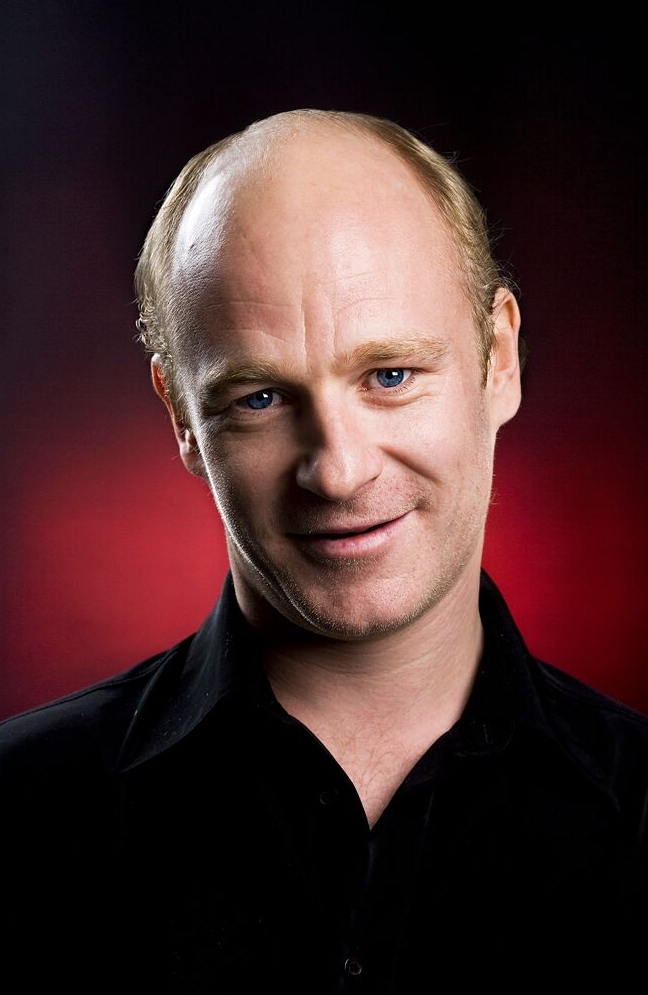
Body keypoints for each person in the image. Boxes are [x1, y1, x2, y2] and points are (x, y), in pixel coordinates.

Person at [1, 109, 646, 993]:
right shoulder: (19, 815)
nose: (338, 472)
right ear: (182, 416)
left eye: (391, 375)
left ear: (499, 357)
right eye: (260, 398)